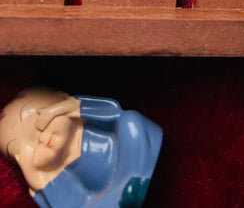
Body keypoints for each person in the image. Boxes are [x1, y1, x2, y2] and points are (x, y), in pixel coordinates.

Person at [0, 88, 162, 208]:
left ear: (63, 100)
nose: (42, 139)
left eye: (40, 124)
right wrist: (35, 176)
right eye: (22, 150)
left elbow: (113, 111)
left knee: (131, 122)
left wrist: (66, 108)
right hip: (108, 193)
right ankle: (124, 193)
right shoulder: (59, 174)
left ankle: (134, 179)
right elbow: (71, 203)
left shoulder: (88, 120)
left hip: (126, 156)